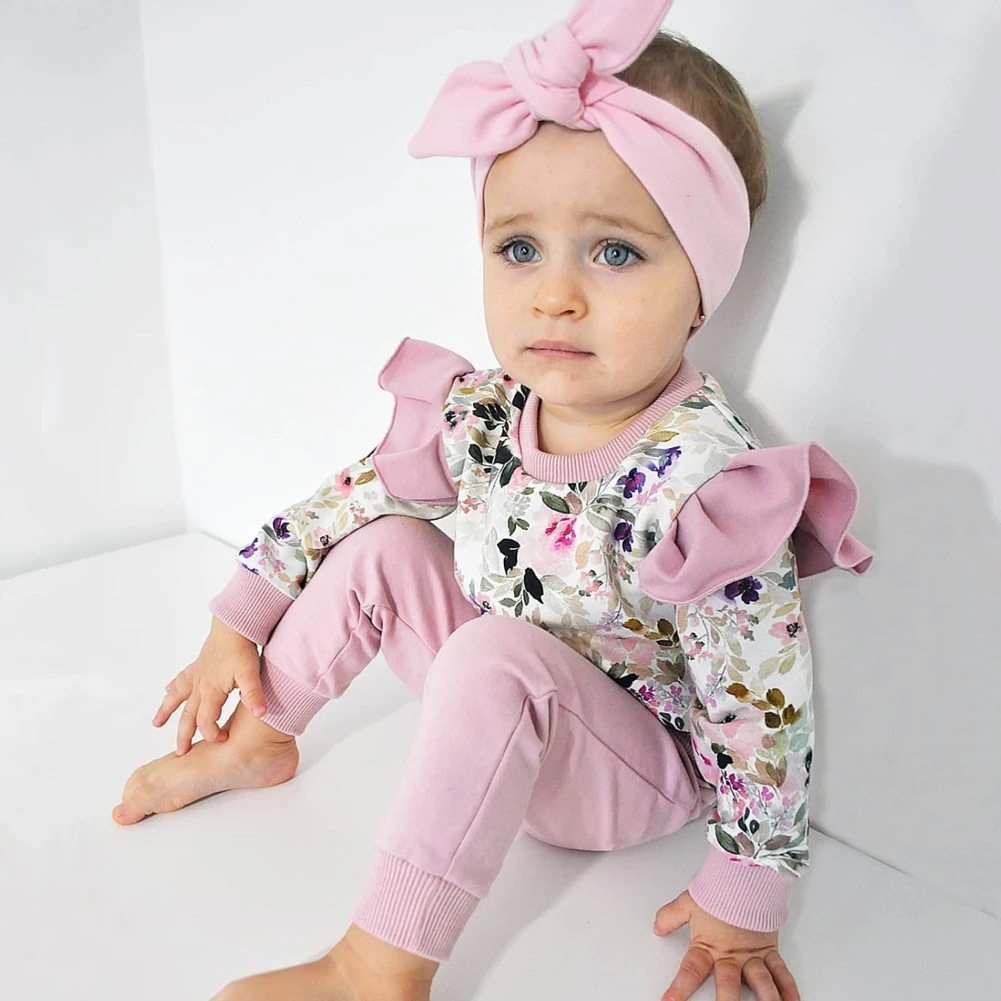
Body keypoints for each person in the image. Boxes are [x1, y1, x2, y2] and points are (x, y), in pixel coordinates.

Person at [112, 3, 874, 1000]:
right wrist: (238, 619)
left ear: (701, 287)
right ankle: (263, 732)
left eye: (613, 252)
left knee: (490, 651)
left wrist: (748, 885)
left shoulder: (699, 478)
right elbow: (347, 499)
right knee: (384, 545)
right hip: (505, 701)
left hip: (625, 775)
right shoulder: (483, 411)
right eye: (519, 249)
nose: (554, 295)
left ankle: (377, 965)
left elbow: (759, 701)